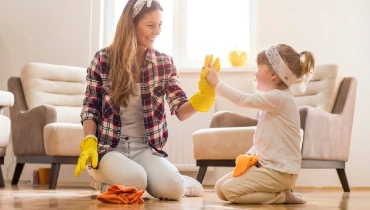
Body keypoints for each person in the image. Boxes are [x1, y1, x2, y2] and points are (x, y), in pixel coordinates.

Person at [74, 0, 220, 200]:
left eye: (160, 25)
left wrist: (204, 96)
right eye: (150, 25)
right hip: (109, 148)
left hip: (145, 147)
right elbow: (91, 107)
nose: (157, 31)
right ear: (131, 24)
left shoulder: (164, 63)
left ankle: (176, 181)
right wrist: (89, 141)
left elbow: (181, 110)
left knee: (173, 190)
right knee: (136, 180)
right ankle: (102, 180)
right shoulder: (103, 59)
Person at [205, 43, 315, 204]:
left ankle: (282, 196)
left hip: (280, 172)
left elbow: (243, 99)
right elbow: (265, 137)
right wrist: (251, 155)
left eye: (258, 68)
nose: (254, 73)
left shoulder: (279, 98)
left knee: (230, 191)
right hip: (267, 167)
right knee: (220, 188)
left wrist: (217, 84)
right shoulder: (273, 100)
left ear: (273, 74)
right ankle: (280, 192)